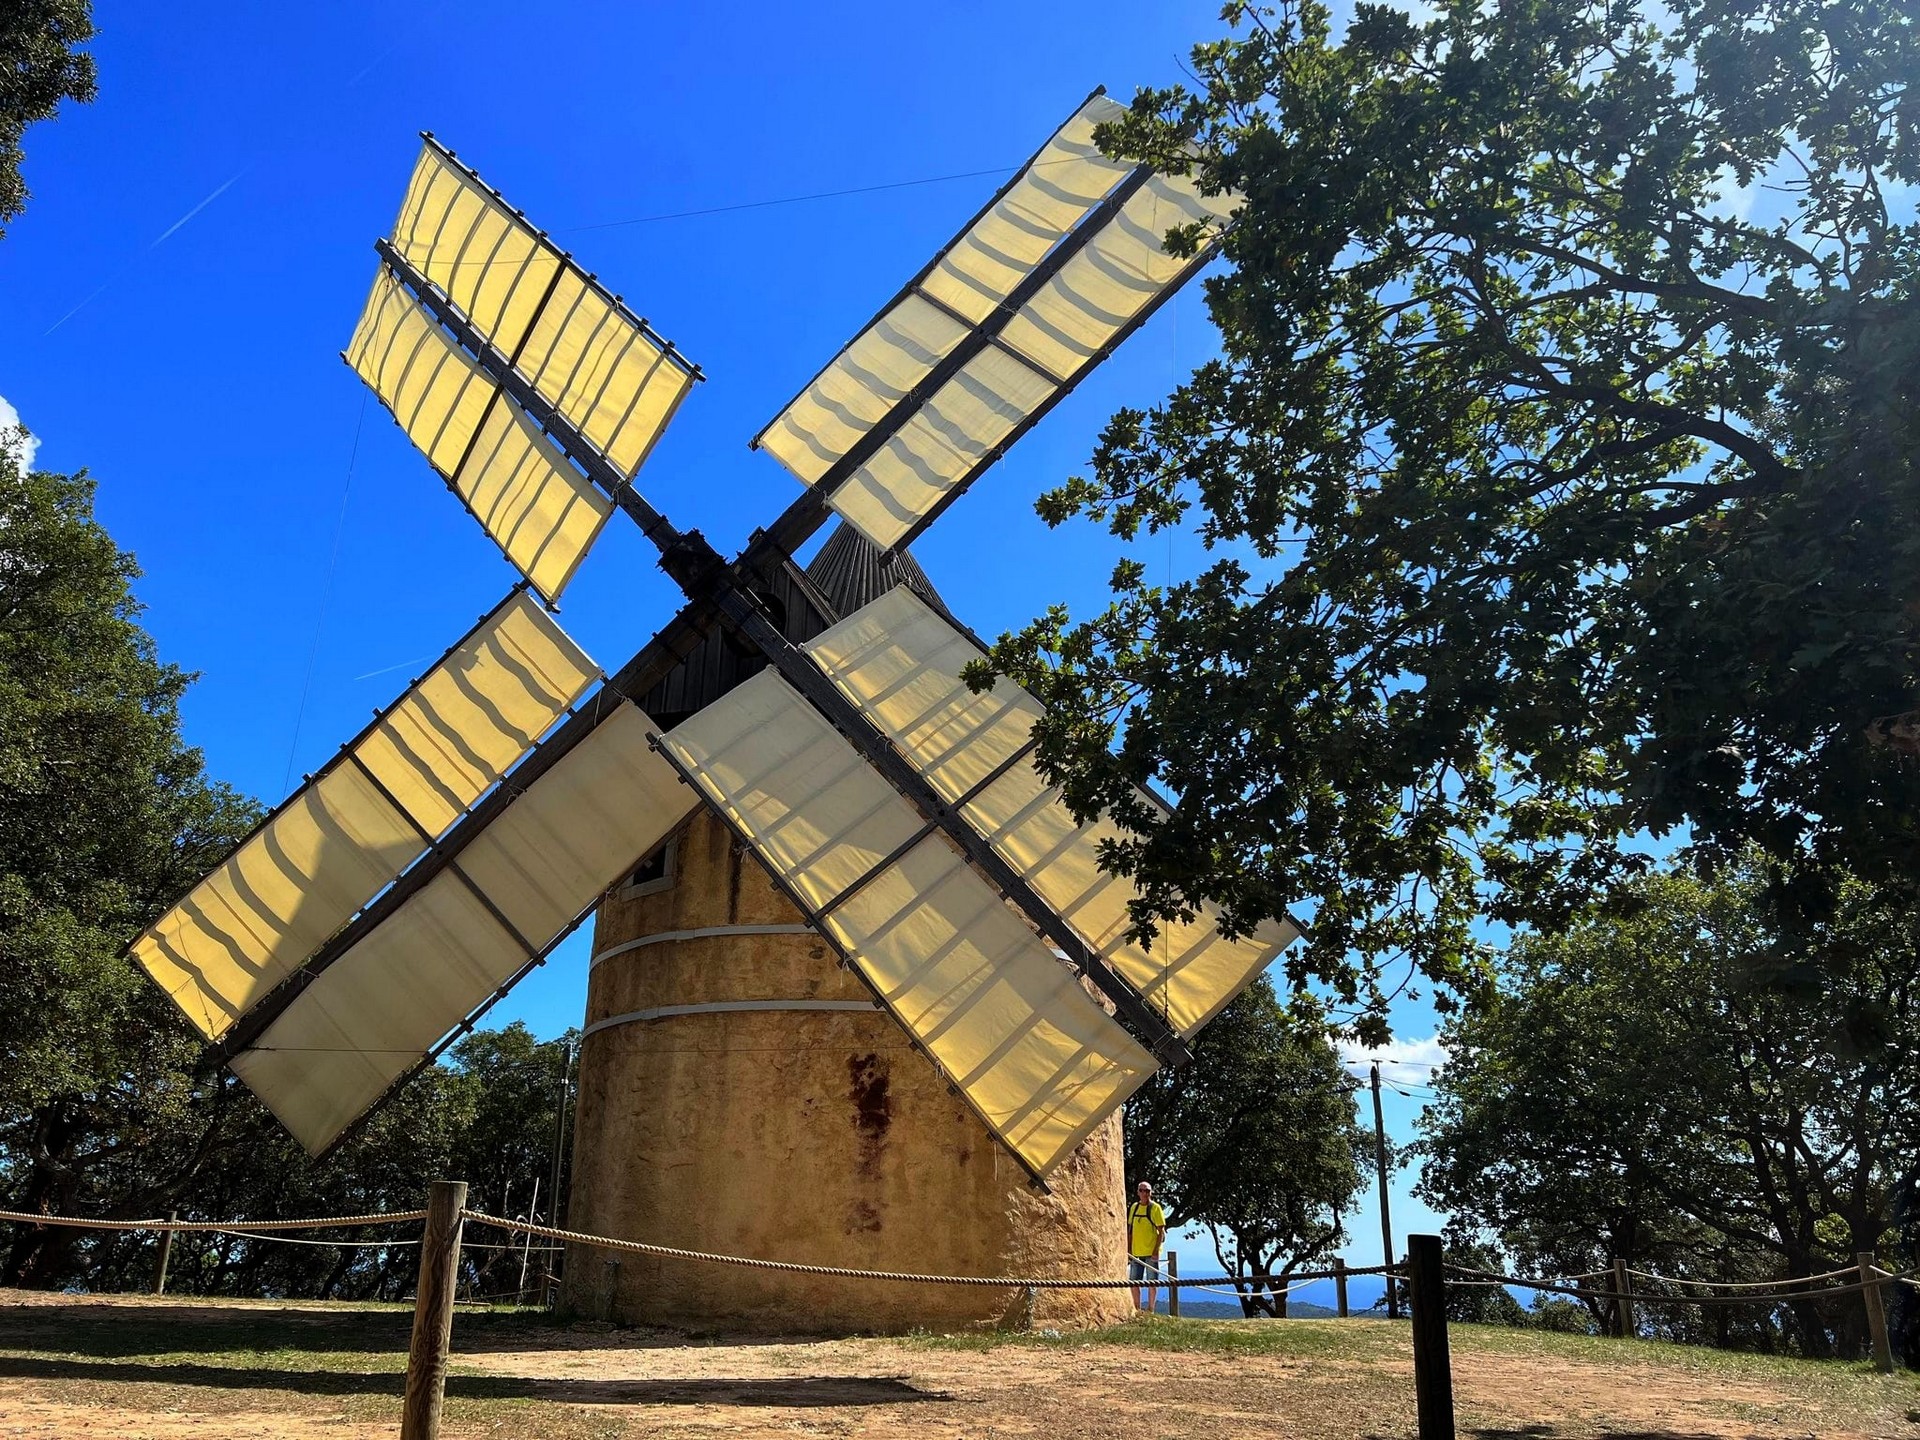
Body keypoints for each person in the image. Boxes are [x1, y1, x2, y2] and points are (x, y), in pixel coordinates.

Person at [1126, 1180, 1167, 1314]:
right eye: (1142, 1190)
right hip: (1136, 1252)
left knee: (1152, 1282)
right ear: (1138, 1192)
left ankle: (1151, 1309)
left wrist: (1155, 1251)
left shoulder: (1155, 1208)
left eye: (1147, 1191)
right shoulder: (1134, 1208)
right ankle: (1137, 1309)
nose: (1144, 1193)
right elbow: (1130, 1229)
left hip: (1151, 1252)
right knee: (1134, 1282)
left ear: (1151, 1193)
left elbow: (1161, 1231)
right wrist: (1129, 1249)